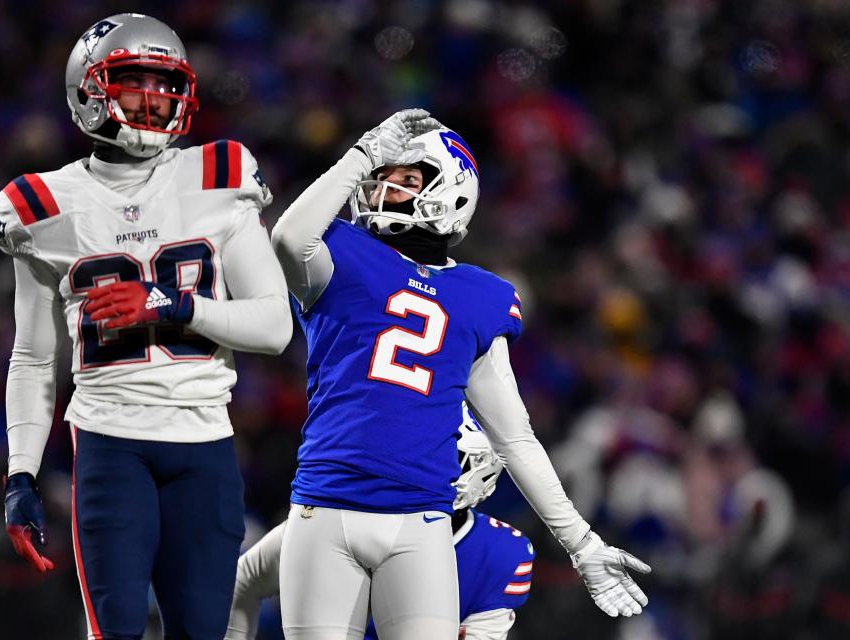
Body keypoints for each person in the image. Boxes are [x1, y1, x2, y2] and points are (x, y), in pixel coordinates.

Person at [269, 109, 650, 639]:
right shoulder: (342, 254)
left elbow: (514, 436)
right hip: (324, 506)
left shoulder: (480, 295)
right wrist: (363, 155)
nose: (383, 187)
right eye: (383, 176)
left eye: (405, 178)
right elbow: (287, 238)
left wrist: (581, 543)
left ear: (451, 191)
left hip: (421, 519)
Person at [0, 13, 292, 639]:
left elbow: (273, 326)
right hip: (109, 442)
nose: (157, 100)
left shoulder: (219, 175)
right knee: (116, 632)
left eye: (167, 84)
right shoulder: (43, 204)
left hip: (205, 441)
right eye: (137, 82)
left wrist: (173, 304)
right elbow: (31, 357)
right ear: (90, 92)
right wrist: (21, 471)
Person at [225, 407, 537, 640]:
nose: (416, 464)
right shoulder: (343, 516)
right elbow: (244, 579)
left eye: (439, 454)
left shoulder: (498, 553)